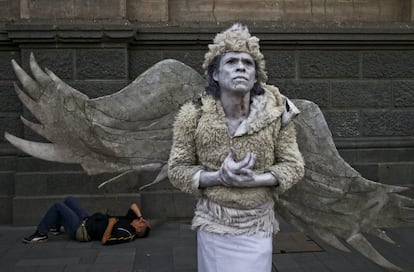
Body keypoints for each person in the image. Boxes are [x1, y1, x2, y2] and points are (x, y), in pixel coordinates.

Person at [168, 24, 305, 272]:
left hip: (257, 225)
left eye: (248, 63)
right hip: (214, 224)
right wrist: (217, 177)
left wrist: (255, 180)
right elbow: (177, 169)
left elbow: (294, 166)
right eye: (231, 61)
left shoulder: (277, 114)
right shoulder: (193, 115)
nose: (241, 66)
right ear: (216, 74)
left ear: (255, 76)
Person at [22, 196, 151, 245]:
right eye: (141, 220)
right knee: (69, 200)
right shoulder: (130, 220)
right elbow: (133, 205)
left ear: (139, 230)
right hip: (88, 220)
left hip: (81, 230)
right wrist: (140, 217)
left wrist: (111, 224)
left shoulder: (127, 234)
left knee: (58, 206)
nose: (140, 220)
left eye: (141, 222)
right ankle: (55, 227)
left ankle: (41, 234)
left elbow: (105, 241)